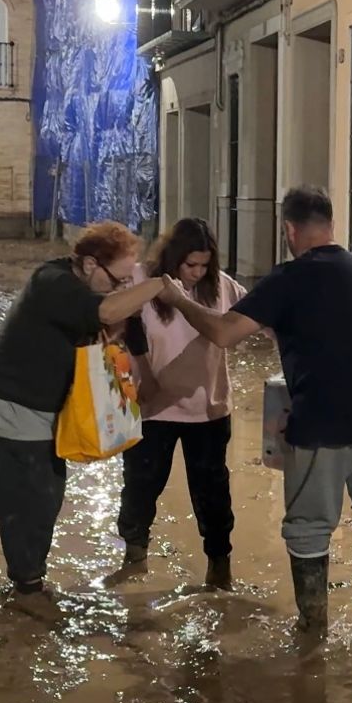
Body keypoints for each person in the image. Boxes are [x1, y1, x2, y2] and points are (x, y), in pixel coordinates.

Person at [155, 186, 352, 640]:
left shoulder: (289, 278)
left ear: (289, 230)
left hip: (320, 425)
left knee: (310, 529)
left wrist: (178, 299)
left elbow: (221, 333)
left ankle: (312, 633)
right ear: (331, 225)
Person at [0, 222, 162, 595]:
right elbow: (105, 312)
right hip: (5, 403)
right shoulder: (53, 282)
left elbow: (110, 324)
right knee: (28, 498)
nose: (120, 287)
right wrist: (158, 285)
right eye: (116, 279)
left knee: (48, 493)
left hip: (38, 405)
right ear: (89, 265)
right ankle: (27, 588)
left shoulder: (80, 287)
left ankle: (29, 577)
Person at [117, 218, 246, 589]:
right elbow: (122, 324)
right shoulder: (143, 279)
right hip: (151, 409)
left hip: (207, 410)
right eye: (190, 265)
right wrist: (141, 373)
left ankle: (219, 569)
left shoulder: (222, 288)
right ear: (173, 258)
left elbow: (254, 322)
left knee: (212, 495)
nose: (197, 273)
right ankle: (135, 559)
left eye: (204, 265)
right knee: (140, 486)